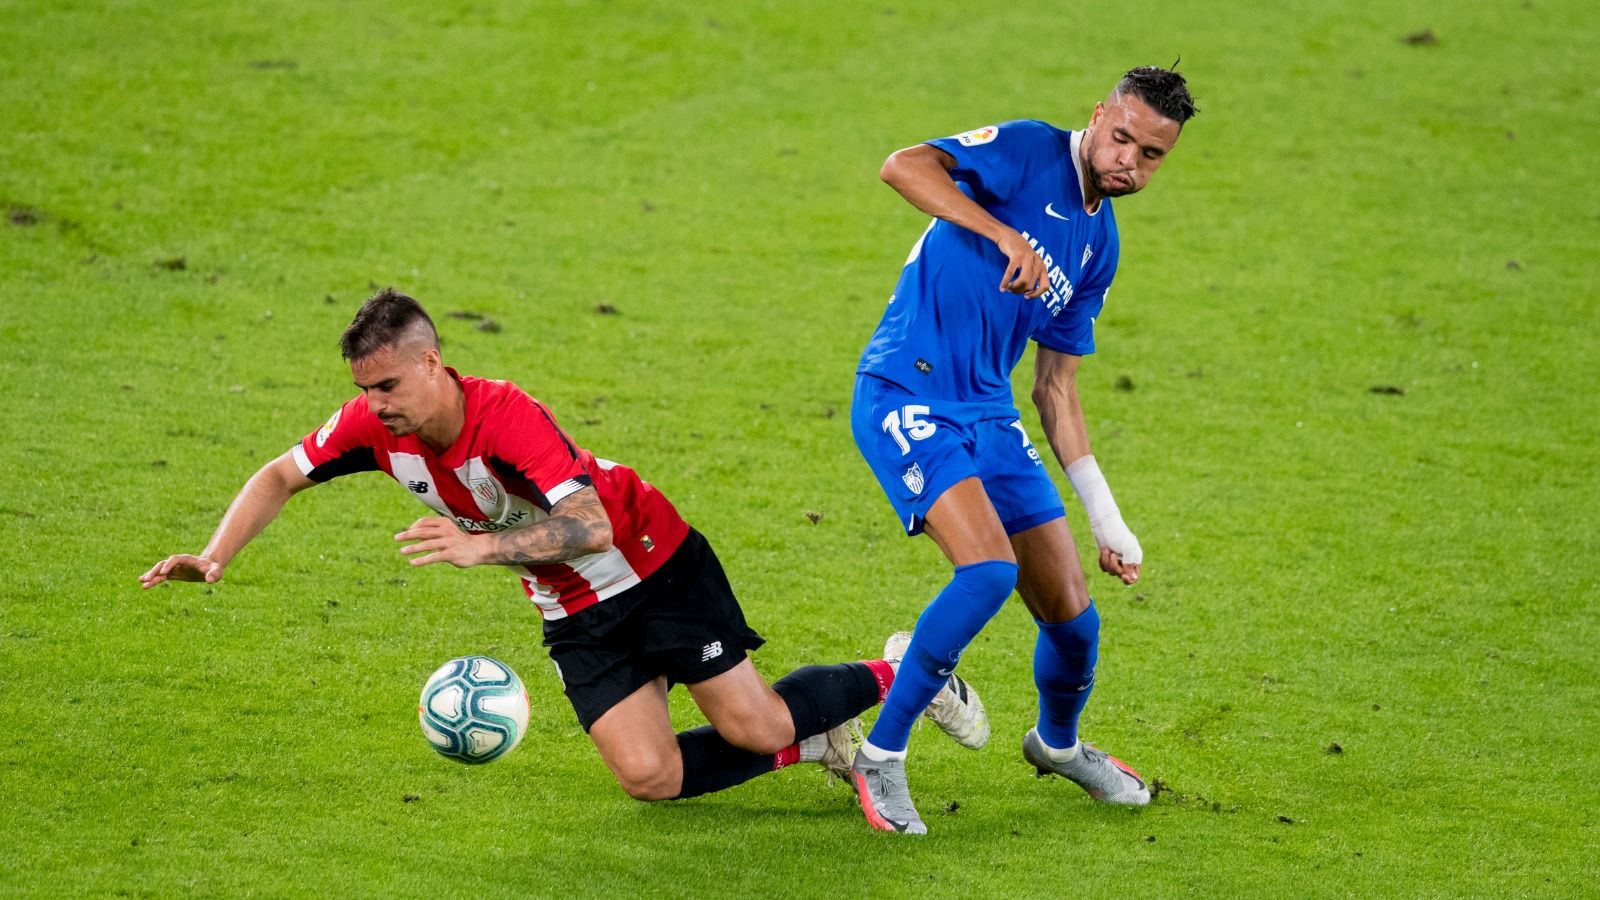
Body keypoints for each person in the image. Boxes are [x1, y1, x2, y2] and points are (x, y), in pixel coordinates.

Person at [140, 290, 988, 804]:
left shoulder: (506, 417)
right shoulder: (373, 425)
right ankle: (811, 747)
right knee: (650, 778)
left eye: (389, 385)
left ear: (432, 363)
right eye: (364, 389)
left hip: (653, 563)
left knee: (751, 720)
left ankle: (904, 671)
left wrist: (483, 550)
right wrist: (215, 555)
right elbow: (281, 474)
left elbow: (591, 525)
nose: (375, 404)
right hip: (572, 604)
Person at [846, 67, 1198, 833]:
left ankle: (1059, 746)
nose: (1127, 160)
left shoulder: (1099, 242)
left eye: (1150, 154)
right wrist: (1002, 231)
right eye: (1121, 136)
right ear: (1098, 115)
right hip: (907, 391)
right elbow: (902, 165)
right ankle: (879, 756)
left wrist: (1108, 520)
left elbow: (1057, 391)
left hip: (989, 413)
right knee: (988, 571)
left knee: (1075, 619)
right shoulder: (1029, 149)